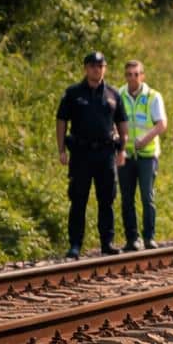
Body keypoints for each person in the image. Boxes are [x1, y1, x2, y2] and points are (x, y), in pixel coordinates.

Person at [55, 51, 128, 258]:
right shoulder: (73, 93)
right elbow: (61, 121)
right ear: (86, 68)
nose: (97, 69)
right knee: (78, 200)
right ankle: (75, 244)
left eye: (100, 66)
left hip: (106, 153)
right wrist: (61, 149)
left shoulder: (113, 94)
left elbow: (122, 123)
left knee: (107, 200)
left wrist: (122, 149)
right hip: (81, 154)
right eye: (93, 66)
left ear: (105, 68)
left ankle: (107, 242)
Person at [117, 60, 167, 251]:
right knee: (127, 198)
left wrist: (145, 139)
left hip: (147, 154)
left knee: (147, 196)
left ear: (142, 76)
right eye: (129, 74)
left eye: (136, 74)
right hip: (126, 154)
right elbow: (114, 121)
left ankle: (149, 237)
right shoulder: (119, 95)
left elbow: (161, 124)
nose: (132, 78)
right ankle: (132, 239)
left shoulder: (153, 96)